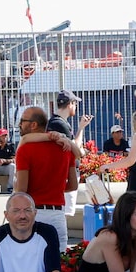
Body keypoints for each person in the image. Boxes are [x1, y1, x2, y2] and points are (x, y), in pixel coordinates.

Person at [14, 107, 77, 252]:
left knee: (30, 263)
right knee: (58, 263)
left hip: (34, 213)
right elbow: (73, 185)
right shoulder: (65, 148)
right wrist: (55, 189)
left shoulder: (25, 149)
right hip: (58, 215)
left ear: (33, 125)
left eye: (22, 121)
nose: (19, 125)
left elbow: (22, 190)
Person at [48, 89, 91, 217]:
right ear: (70, 104)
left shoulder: (57, 122)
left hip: (65, 172)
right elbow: (76, 149)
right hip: (65, 172)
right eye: (75, 103)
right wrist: (81, 128)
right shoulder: (59, 124)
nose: (76, 107)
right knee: (65, 213)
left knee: (65, 211)